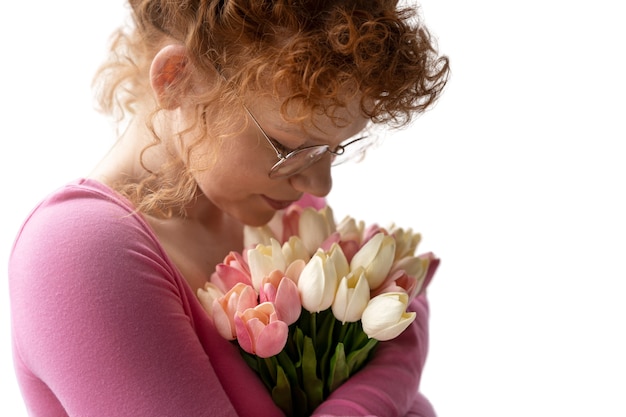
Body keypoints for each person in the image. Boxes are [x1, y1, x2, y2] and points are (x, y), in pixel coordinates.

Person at [9, 1, 449, 416]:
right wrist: (392, 382)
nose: (319, 184)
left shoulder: (283, 209)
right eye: (289, 148)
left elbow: (399, 304)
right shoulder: (78, 253)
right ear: (176, 78)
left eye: (334, 150)